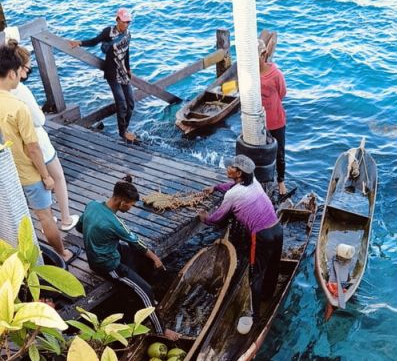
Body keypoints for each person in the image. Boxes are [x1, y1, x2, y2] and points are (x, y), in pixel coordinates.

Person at [0, 43, 79, 264]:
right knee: (45, 217)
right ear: (13, 72)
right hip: (27, 172)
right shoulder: (17, 106)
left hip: (6, 172)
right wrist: (45, 176)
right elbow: (33, 148)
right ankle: (62, 253)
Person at [76, 175, 178, 339]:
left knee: (140, 258)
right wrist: (156, 259)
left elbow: (79, 227)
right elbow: (136, 242)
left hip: (103, 250)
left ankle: (137, 287)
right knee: (147, 291)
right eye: (131, 204)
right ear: (122, 201)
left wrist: (99, 240)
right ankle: (161, 330)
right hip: (107, 264)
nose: (131, 207)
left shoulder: (92, 205)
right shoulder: (115, 223)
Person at [198, 155, 283, 324]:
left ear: (239, 173)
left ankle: (256, 317)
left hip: (261, 236)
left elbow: (218, 217)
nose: (228, 168)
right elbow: (232, 187)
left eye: (231, 167)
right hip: (277, 229)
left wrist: (205, 218)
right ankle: (268, 295)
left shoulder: (233, 195)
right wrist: (215, 187)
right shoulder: (254, 183)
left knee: (255, 275)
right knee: (273, 266)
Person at [69, 8, 139, 144]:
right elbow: (95, 41)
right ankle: (122, 132)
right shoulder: (109, 32)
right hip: (112, 73)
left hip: (123, 72)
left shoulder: (127, 34)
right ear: (117, 20)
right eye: (124, 22)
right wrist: (79, 43)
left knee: (130, 103)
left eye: (128, 22)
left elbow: (126, 51)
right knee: (122, 104)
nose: (126, 25)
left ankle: (125, 128)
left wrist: (129, 69)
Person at [258, 31, 289, 198]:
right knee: (261, 152)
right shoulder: (252, 74)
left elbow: (282, 93)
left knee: (279, 152)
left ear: (264, 55)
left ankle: (281, 181)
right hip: (259, 122)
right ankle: (263, 181)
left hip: (276, 120)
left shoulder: (275, 74)